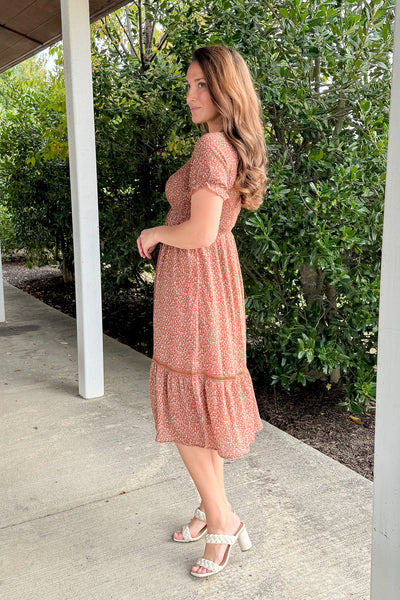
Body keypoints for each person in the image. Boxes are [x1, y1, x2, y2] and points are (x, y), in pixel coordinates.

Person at [137, 44, 268, 578]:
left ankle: (223, 521)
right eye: (189, 85)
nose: (191, 95)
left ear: (225, 90)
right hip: (207, 280)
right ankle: (208, 506)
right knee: (198, 402)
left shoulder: (212, 146)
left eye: (201, 85)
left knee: (189, 406)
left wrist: (154, 232)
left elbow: (200, 231)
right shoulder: (224, 144)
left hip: (194, 285)